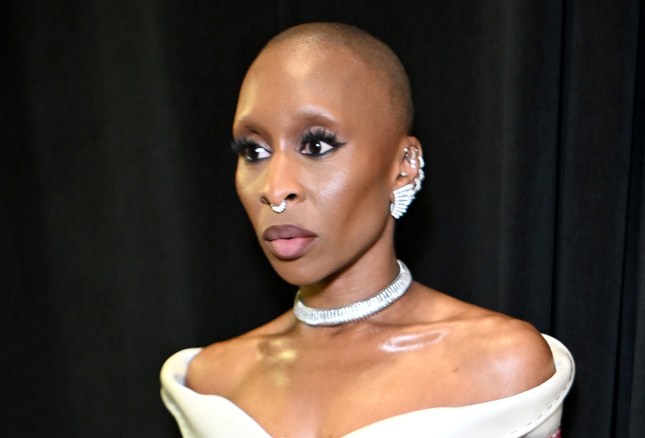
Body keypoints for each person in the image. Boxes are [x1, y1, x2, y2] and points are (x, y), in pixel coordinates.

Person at [161, 22, 574, 438]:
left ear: (403, 164)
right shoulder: (210, 382)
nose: (275, 189)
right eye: (254, 151)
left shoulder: (500, 365)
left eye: (317, 145)